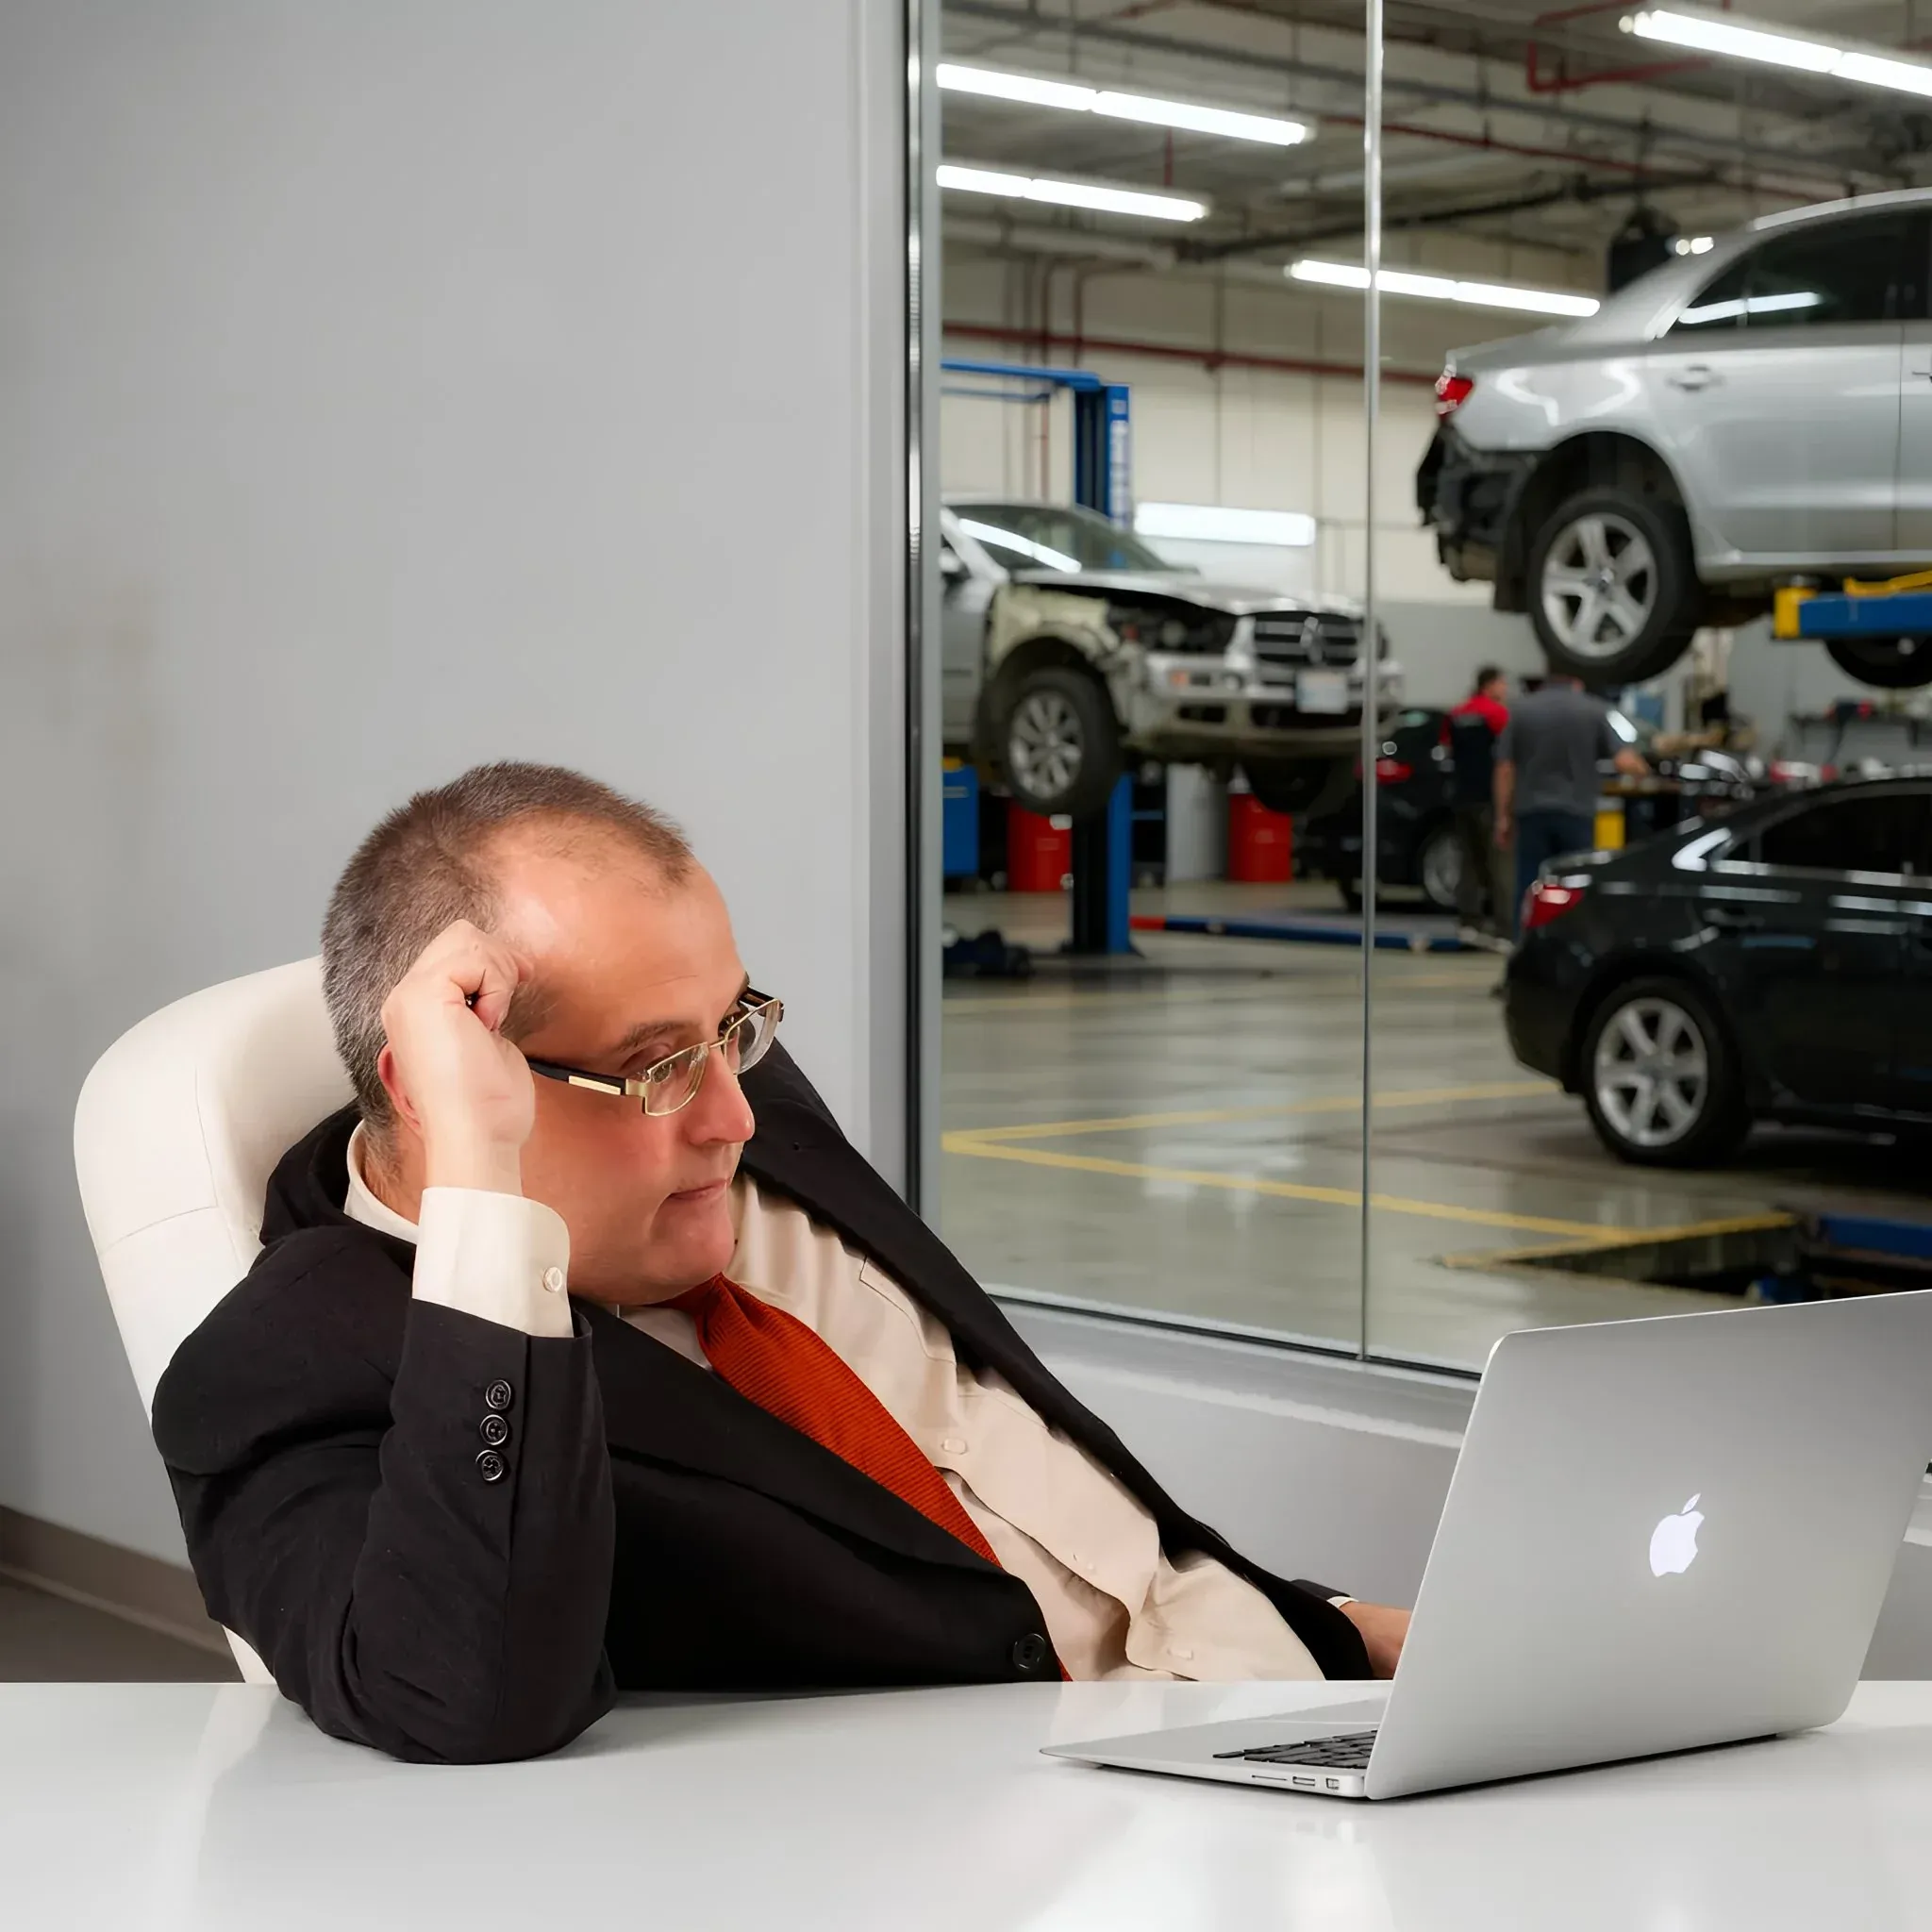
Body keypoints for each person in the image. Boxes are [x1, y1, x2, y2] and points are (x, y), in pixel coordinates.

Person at [151, 762, 1410, 1764]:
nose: (732, 1117)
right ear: (435, 1092)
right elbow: (461, 1701)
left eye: (733, 1031)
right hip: (1048, 1838)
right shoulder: (285, 1373)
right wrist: (487, 1191)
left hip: (1293, 1704)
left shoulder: (737, 1117)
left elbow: (1052, 1528)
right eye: (654, 1067)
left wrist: (1348, 1636)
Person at [1493, 674, 1648, 928]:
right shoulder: (1593, 709)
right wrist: (1645, 771)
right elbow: (1624, 761)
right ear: (1577, 681)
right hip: (1577, 813)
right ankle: (1573, 941)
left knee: (1530, 885)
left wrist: (1502, 817)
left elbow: (1505, 768)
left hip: (1532, 812)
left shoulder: (1522, 710)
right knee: (1576, 885)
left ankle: (1524, 943)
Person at [1445, 665, 1510, 940]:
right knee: (1499, 863)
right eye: (1502, 684)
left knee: (1468, 862)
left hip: (1462, 796)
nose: (1505, 690)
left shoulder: (1457, 713)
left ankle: (1469, 920)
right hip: (1489, 798)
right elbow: (1508, 755)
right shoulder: (1498, 714)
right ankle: (1504, 924)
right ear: (1490, 685)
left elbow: (1447, 748)